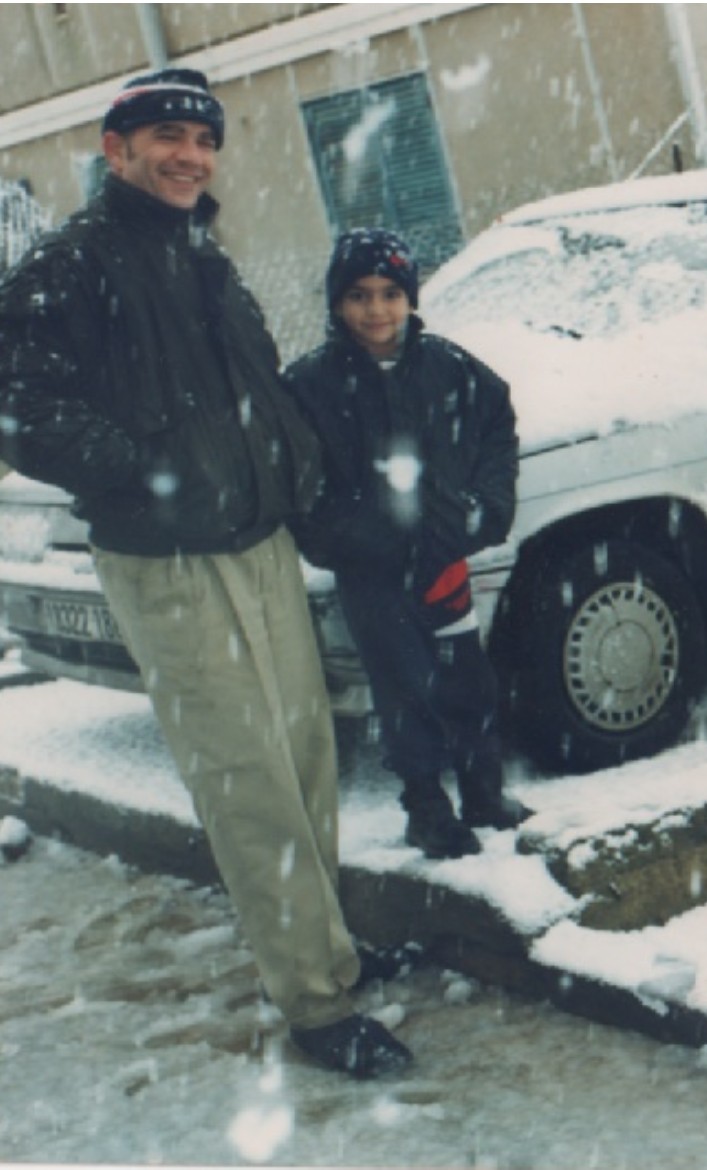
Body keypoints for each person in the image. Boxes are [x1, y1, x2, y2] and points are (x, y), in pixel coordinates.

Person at [0, 70, 413, 1081]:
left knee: (305, 760)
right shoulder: (70, 265)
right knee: (249, 784)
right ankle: (315, 1003)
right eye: (165, 137)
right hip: (173, 563)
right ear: (115, 149)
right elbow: (21, 407)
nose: (188, 154)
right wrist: (144, 470)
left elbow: (255, 385)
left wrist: (299, 467)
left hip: (259, 545)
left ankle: (329, 946)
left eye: (202, 138)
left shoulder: (201, 256)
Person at [284, 228, 532, 860]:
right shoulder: (311, 385)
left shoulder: (447, 367)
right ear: (338, 303)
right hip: (370, 572)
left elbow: (497, 426)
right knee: (404, 688)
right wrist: (339, 536)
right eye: (359, 295)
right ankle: (426, 808)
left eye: (391, 293)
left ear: (410, 297)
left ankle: (483, 792)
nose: (376, 310)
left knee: (465, 680)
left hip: (442, 559)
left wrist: (485, 507)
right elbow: (294, 479)